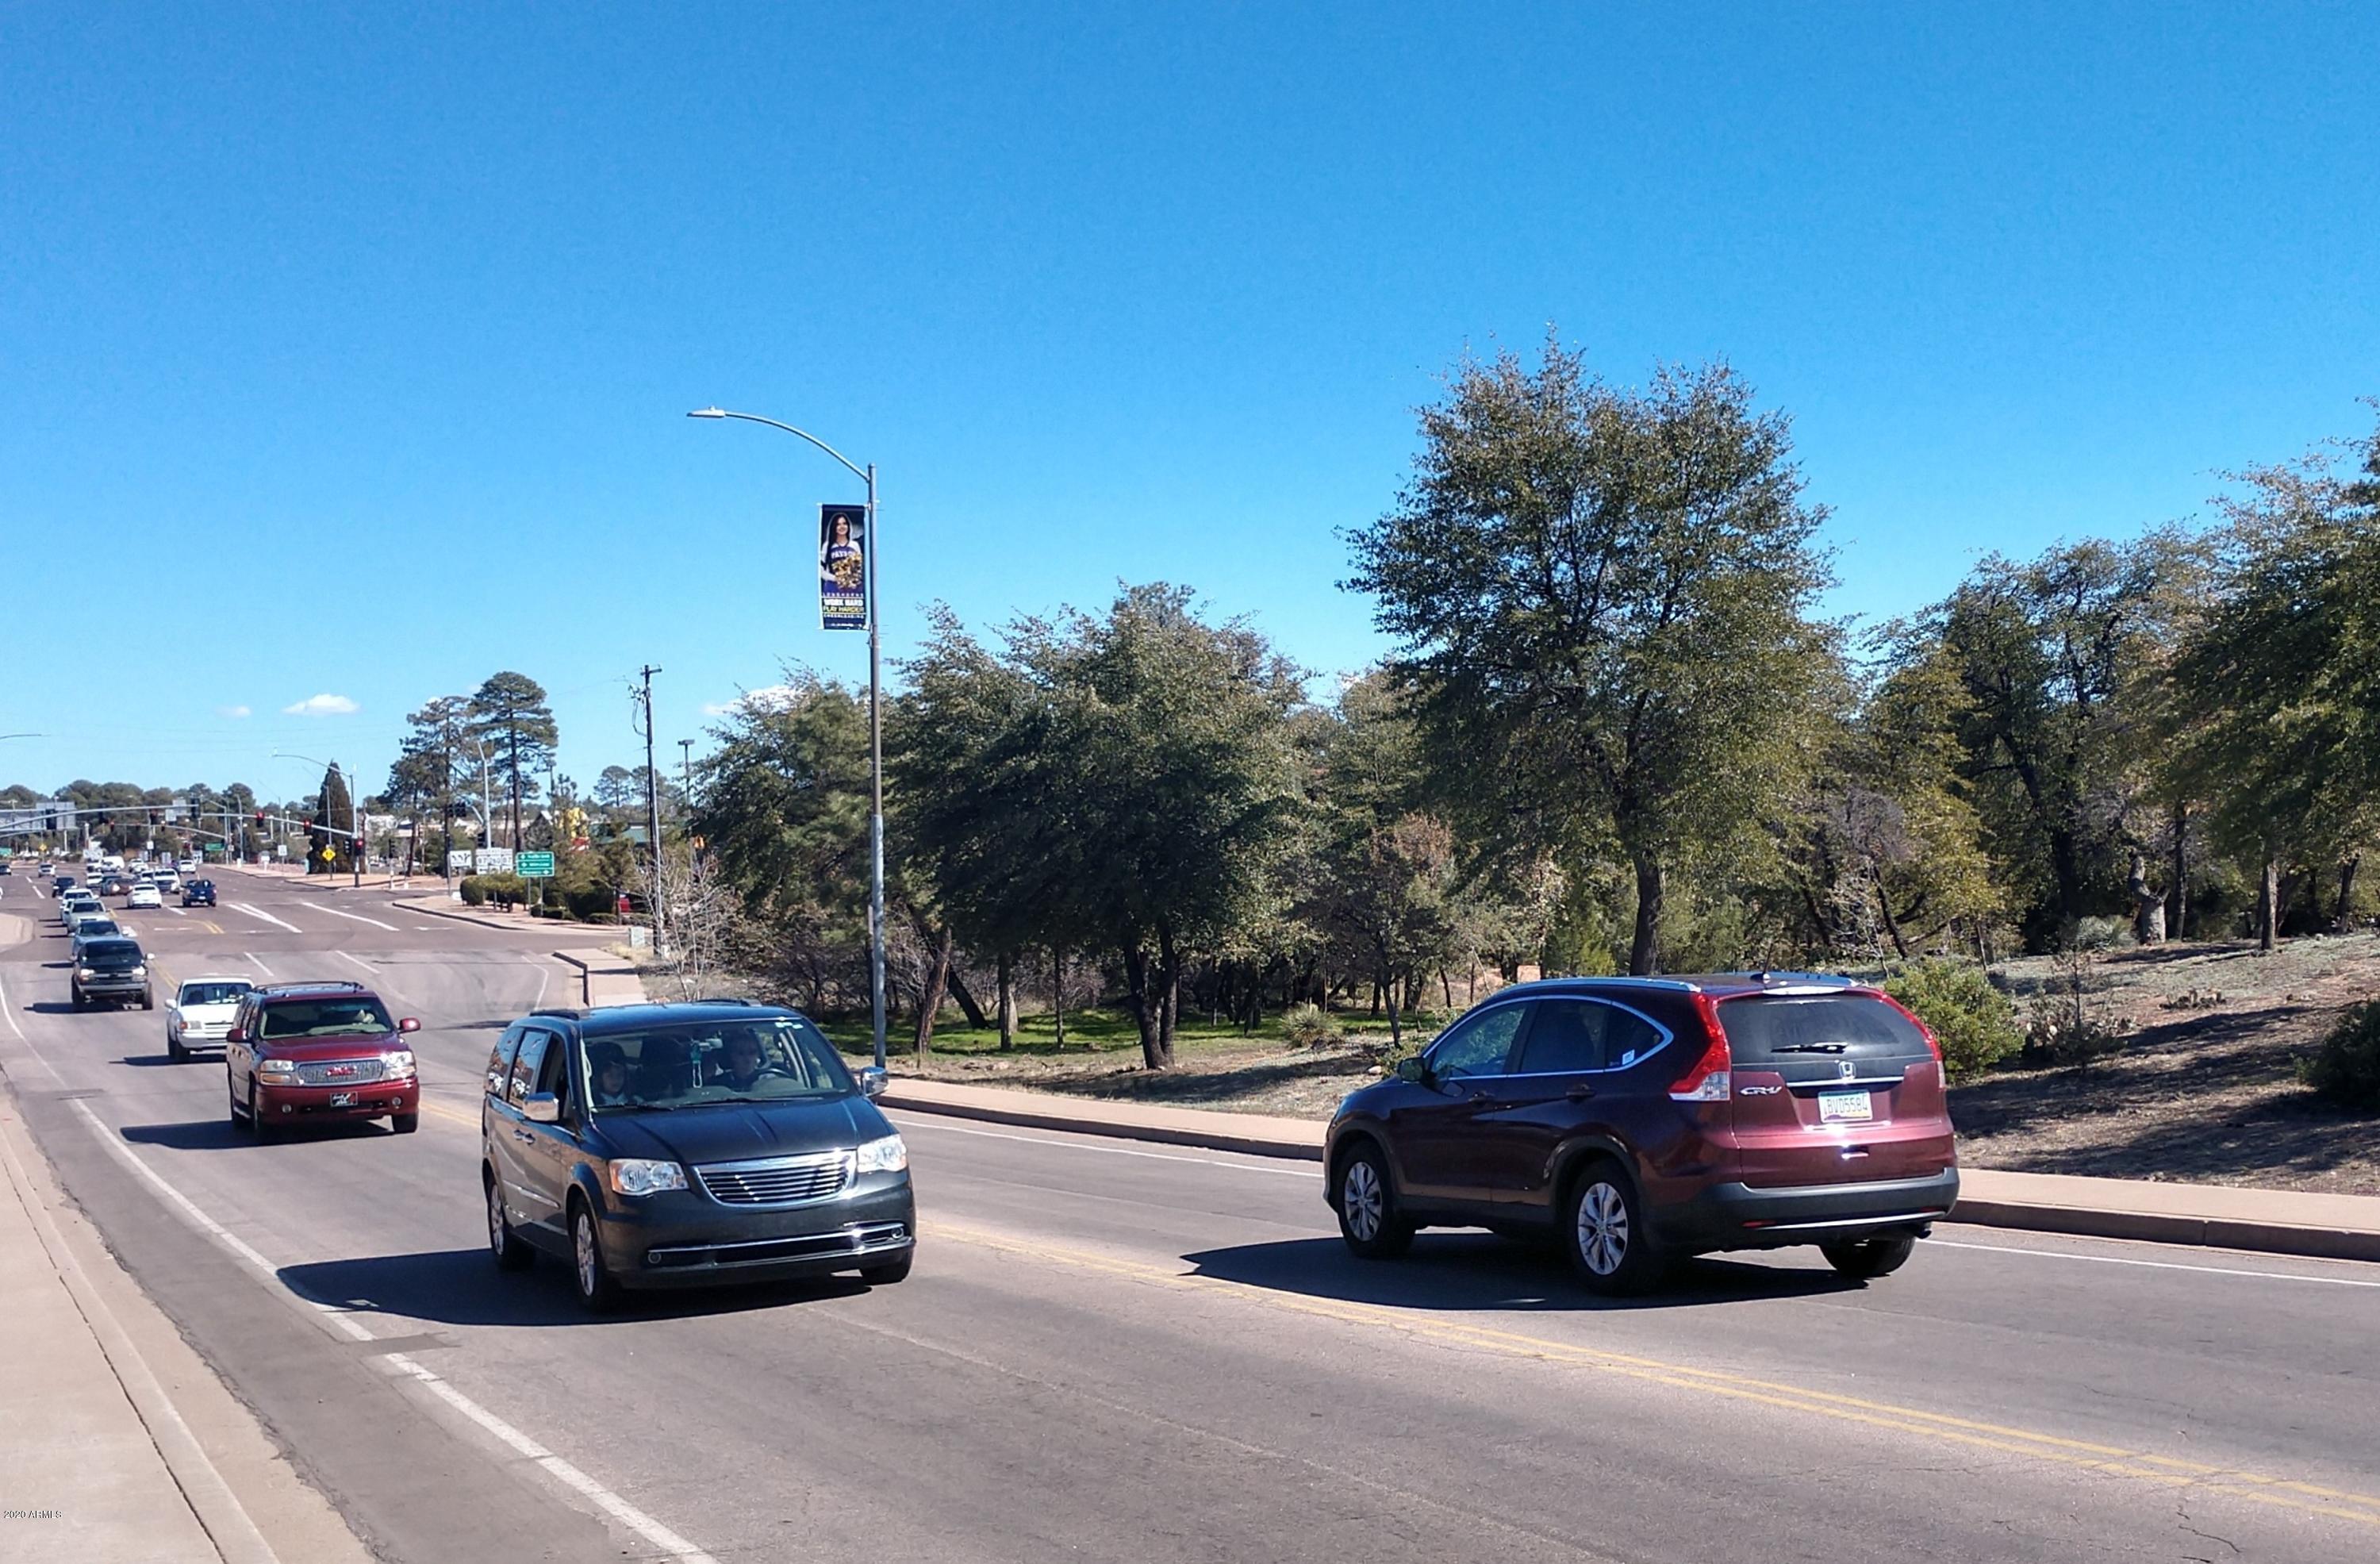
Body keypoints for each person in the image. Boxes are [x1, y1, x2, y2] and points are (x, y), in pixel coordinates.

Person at [709, 1031, 773, 1093]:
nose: (747, 1058)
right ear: (733, 1056)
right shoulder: (718, 1084)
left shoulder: (767, 1081)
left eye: (752, 1053)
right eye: (741, 1053)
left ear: (758, 1055)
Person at [588, 1042, 635, 1108]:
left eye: (620, 1075)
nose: (615, 1079)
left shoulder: (637, 1103)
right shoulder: (591, 1105)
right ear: (600, 1078)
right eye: (610, 1075)